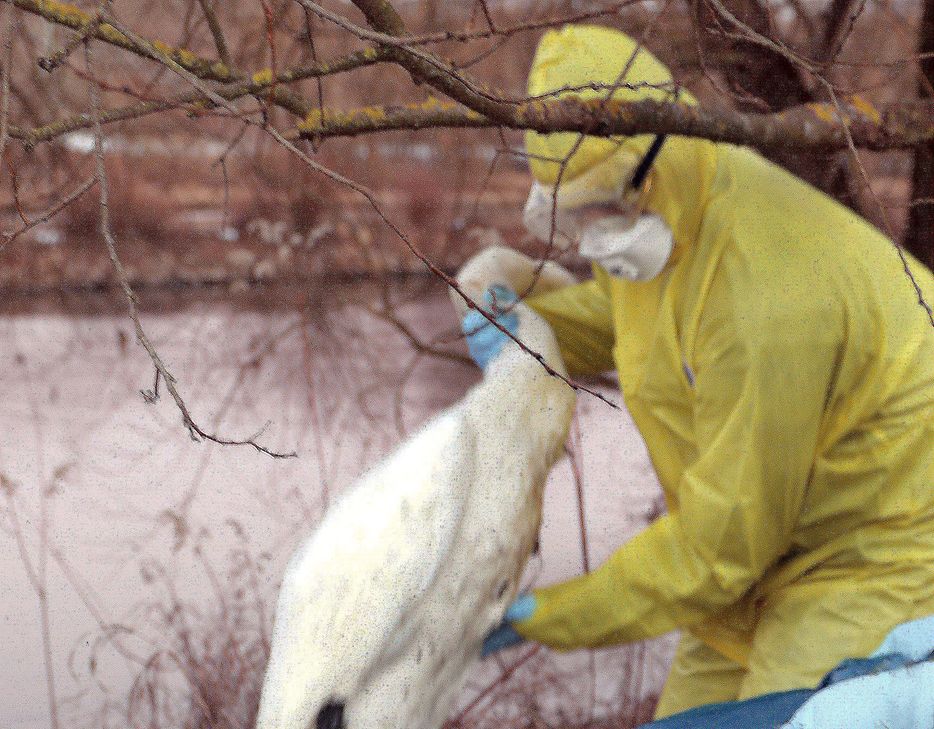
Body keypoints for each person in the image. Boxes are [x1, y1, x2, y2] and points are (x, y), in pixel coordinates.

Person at [464, 24, 934, 720]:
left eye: (603, 210)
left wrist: (552, 612)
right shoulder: (678, 215)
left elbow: (721, 548)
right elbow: (640, 317)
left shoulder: (765, 292)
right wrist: (522, 324)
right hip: (762, 559)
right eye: (576, 215)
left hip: (875, 559)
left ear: (661, 150)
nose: (594, 235)